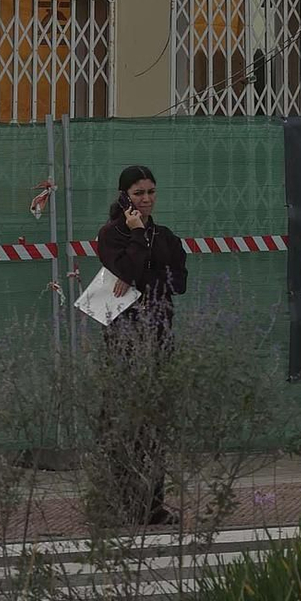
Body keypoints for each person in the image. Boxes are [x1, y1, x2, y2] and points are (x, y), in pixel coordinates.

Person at [93, 163, 188, 527]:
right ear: (125, 197)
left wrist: (141, 276)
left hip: (159, 334)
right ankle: (120, 503)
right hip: (124, 338)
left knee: (154, 424)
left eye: (150, 192)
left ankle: (153, 505)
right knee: (121, 422)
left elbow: (178, 281)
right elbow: (127, 271)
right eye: (138, 193)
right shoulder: (111, 234)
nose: (146, 199)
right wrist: (135, 235)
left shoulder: (165, 236)